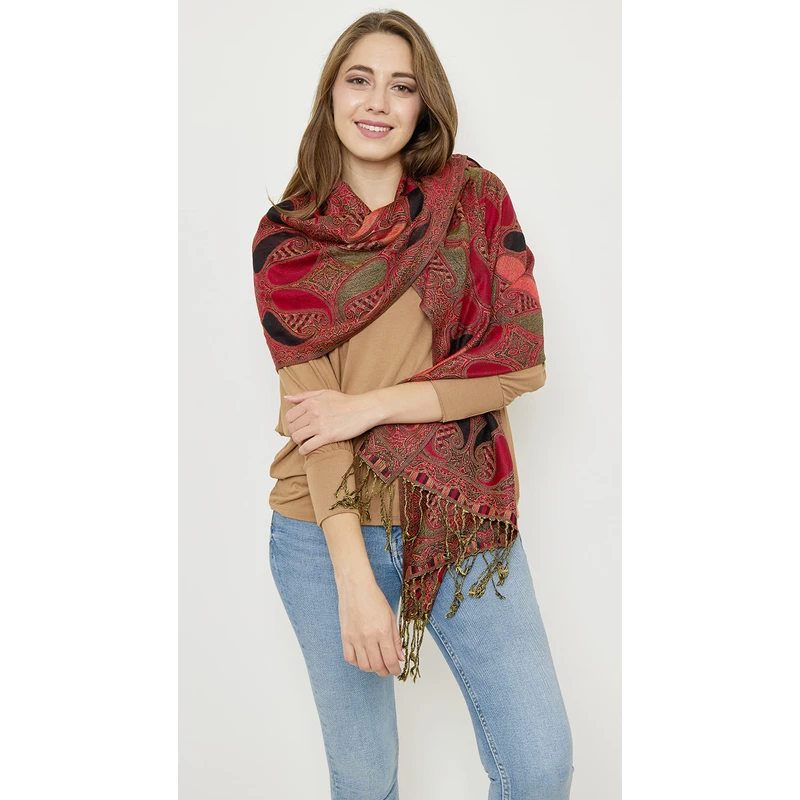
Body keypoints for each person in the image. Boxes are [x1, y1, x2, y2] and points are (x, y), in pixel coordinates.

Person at [252, 10, 574, 799]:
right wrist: (354, 580)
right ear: (331, 94)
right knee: (365, 781)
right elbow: (314, 422)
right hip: (325, 531)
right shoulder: (286, 242)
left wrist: (369, 407)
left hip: (460, 514)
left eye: (402, 86)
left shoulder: (475, 201)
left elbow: (520, 362)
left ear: (424, 104)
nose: (378, 102)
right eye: (359, 80)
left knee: (539, 764)